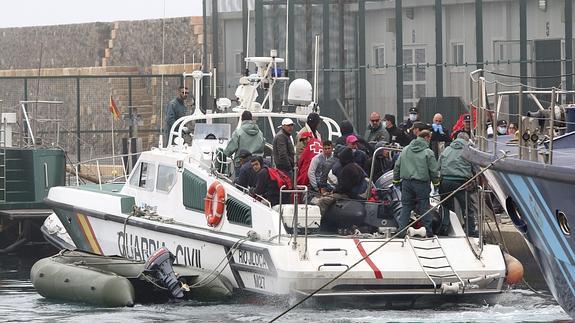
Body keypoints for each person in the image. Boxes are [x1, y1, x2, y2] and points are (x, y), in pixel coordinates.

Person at [393, 130, 440, 238]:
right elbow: (433, 171)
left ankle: (401, 231)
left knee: (406, 207)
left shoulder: (405, 150)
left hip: (406, 183)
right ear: (427, 138)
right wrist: (436, 183)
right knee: (424, 207)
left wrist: (396, 180)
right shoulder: (428, 152)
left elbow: (397, 166)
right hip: (421, 184)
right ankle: (428, 232)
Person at [438, 132, 477, 236]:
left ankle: (444, 228)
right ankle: (471, 231)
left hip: (445, 181)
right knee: (467, 208)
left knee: (445, 206)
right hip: (461, 183)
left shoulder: (446, 149)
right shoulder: (468, 151)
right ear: (467, 140)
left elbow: (439, 165)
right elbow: (475, 168)